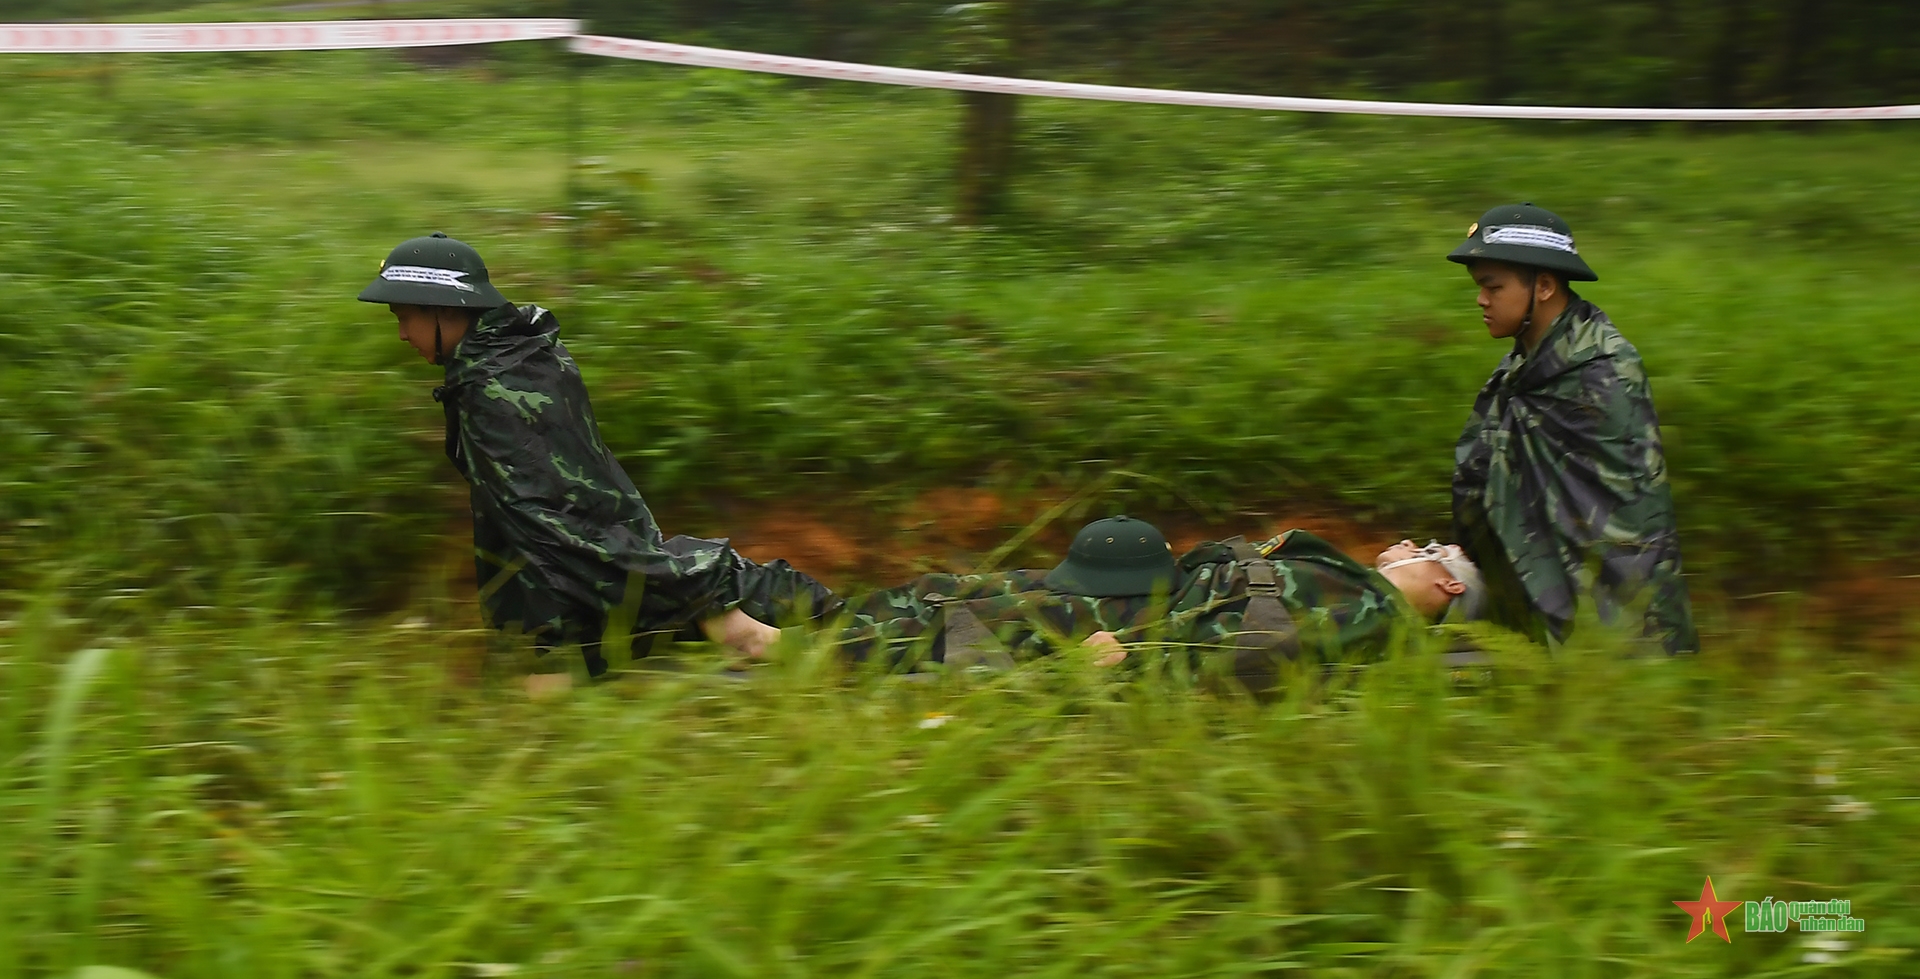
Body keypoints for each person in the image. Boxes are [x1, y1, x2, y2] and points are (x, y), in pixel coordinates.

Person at [358, 233, 842, 683]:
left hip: (576, 576)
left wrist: (689, 597)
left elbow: (547, 523)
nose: (401, 334)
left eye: (404, 318)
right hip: (573, 568)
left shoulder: (492, 390)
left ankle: (743, 636)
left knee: (549, 684)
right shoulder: (522, 353)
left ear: (443, 310)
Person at [1447, 204, 1697, 653]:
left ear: (1543, 286)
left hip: (1607, 630)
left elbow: (1619, 522)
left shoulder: (1602, 373)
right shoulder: (1520, 370)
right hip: (1531, 611)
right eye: (1479, 287)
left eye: (1493, 287)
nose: (1481, 300)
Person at [837, 515, 1486, 686]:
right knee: (942, 594)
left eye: (1429, 548)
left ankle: (799, 644)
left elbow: (1255, 651)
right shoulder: (1353, 583)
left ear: (1448, 584)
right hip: (1140, 590)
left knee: (956, 620)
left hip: (1134, 621)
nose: (1410, 543)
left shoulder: (1370, 613)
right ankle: (800, 620)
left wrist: (1133, 655)